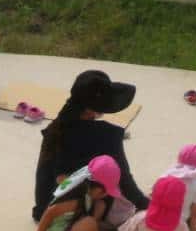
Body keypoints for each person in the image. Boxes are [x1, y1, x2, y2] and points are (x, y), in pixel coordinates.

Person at [32, 69, 148, 221]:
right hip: (69, 213)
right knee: (110, 180)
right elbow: (124, 180)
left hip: (44, 207)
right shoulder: (107, 134)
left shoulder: (56, 127)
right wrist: (148, 205)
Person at [31, 155, 121, 231]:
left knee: (100, 205)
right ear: (94, 187)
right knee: (89, 222)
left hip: (71, 222)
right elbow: (49, 213)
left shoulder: (85, 186)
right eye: (104, 192)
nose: (105, 195)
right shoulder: (74, 200)